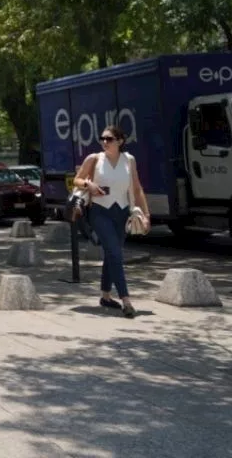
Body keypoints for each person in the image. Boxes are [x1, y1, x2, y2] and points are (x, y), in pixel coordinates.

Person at [71, 125, 150, 318]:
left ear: (120, 141)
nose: (105, 142)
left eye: (109, 139)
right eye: (102, 139)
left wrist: (146, 215)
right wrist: (89, 184)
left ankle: (106, 296)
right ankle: (126, 301)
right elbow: (76, 180)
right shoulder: (95, 159)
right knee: (115, 253)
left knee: (112, 254)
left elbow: (137, 188)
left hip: (122, 212)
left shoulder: (129, 160)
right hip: (100, 212)